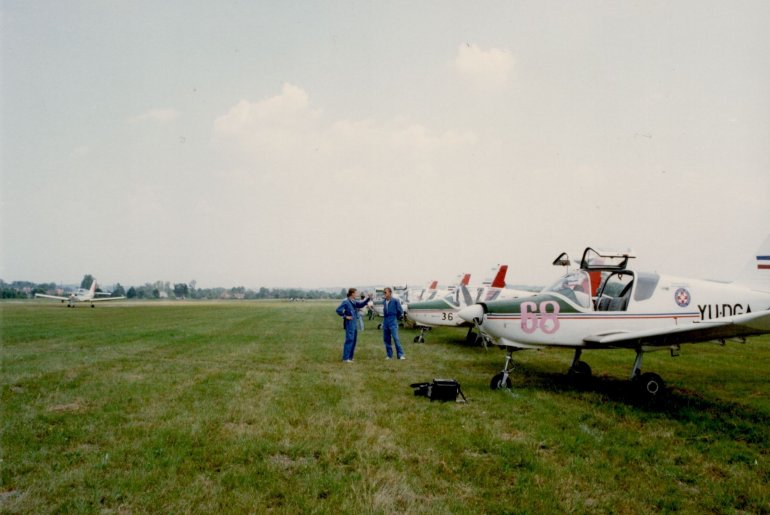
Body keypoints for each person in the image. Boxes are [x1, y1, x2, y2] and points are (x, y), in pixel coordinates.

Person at [336, 288, 371, 362]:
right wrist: (346, 316)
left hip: (354, 324)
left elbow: (361, 305)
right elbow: (338, 310)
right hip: (349, 324)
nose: (357, 294)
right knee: (349, 340)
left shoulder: (354, 301)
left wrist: (368, 299)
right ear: (352, 293)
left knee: (354, 340)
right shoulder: (346, 302)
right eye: (356, 293)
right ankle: (345, 358)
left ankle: (350, 357)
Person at [382, 287, 405, 360]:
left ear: (390, 293)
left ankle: (400, 355)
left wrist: (396, 318)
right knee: (386, 339)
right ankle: (389, 355)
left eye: (385, 292)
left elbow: (400, 311)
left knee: (396, 338)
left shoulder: (395, 301)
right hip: (386, 321)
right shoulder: (384, 301)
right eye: (384, 292)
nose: (384, 294)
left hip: (393, 321)